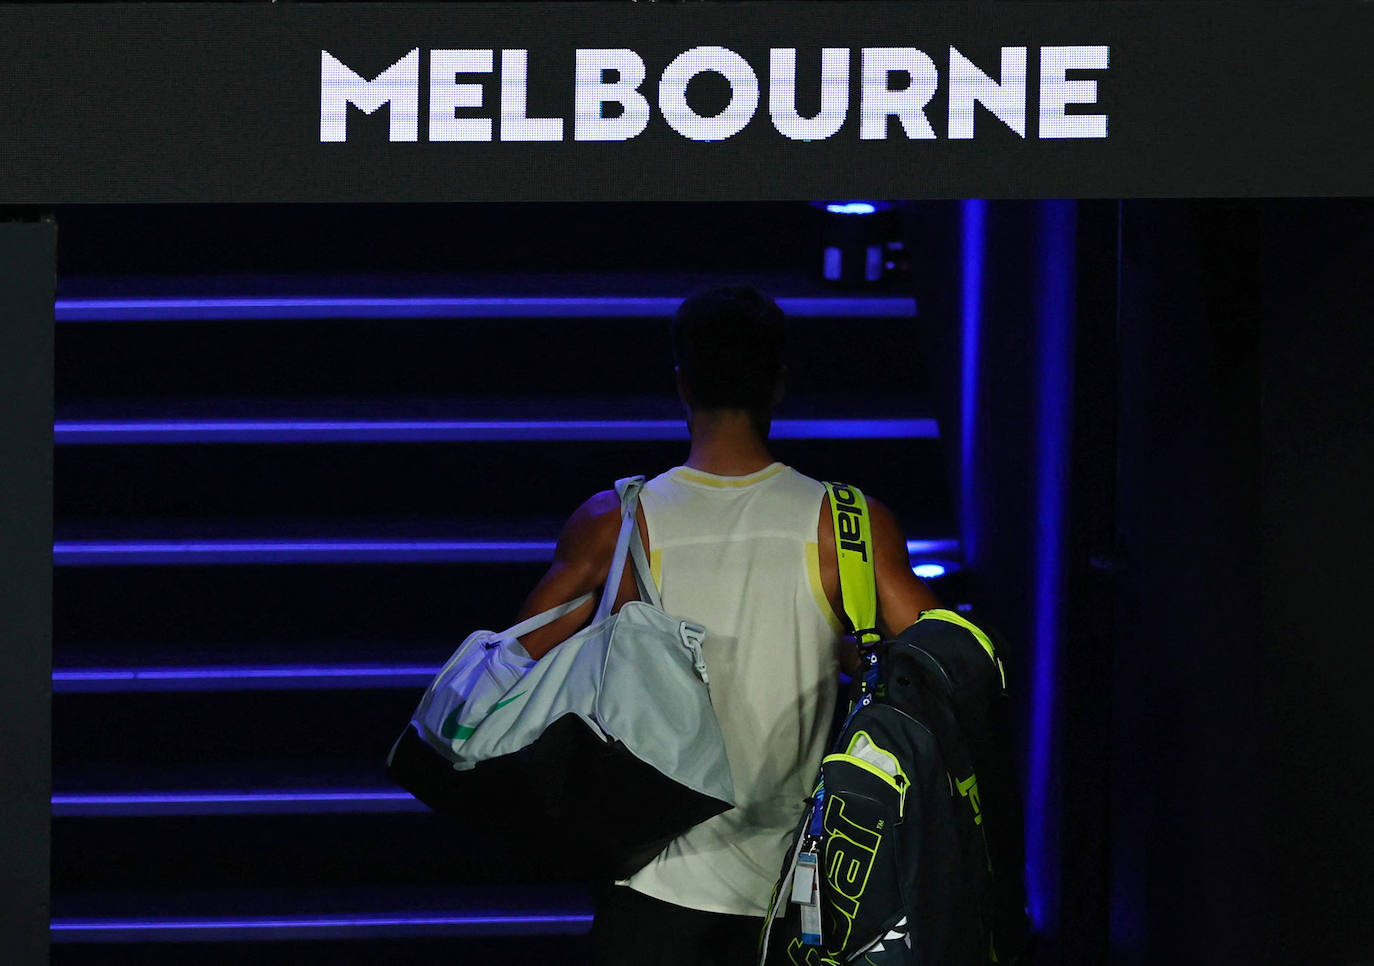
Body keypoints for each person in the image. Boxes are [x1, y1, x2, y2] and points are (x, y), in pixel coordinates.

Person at [513, 285, 941, 965]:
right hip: (794, 896)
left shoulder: (617, 523)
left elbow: (516, 667)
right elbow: (943, 672)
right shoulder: (850, 524)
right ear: (780, 386)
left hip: (649, 888)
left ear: (682, 384)